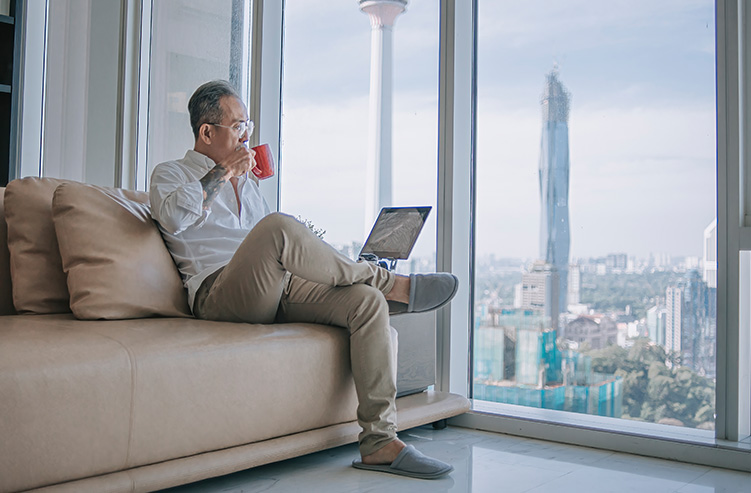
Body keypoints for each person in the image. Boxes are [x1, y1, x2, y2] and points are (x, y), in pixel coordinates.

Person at [150, 80, 459, 480]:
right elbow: (172, 217)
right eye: (239, 126)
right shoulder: (171, 174)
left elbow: (277, 250)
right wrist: (223, 172)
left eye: (249, 126)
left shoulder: (249, 184)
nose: (247, 136)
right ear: (207, 132)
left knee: (365, 302)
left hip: (273, 286)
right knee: (279, 226)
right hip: (219, 293)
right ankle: (392, 283)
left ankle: (380, 441)